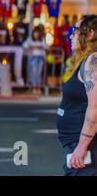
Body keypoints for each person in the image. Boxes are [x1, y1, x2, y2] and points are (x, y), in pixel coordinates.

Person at [57, 14, 97, 176]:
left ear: (91, 34)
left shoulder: (93, 61)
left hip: (88, 149)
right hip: (80, 147)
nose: (71, 35)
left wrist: (82, 146)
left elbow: (95, 106)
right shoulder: (86, 60)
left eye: (76, 30)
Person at [23, 25, 48, 95]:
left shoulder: (42, 40)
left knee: (39, 73)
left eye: (37, 33)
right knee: (33, 73)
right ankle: (34, 87)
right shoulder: (30, 39)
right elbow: (25, 45)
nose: (36, 35)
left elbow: (46, 47)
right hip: (33, 58)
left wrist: (38, 47)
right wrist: (33, 46)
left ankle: (38, 87)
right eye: (35, 33)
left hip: (40, 58)